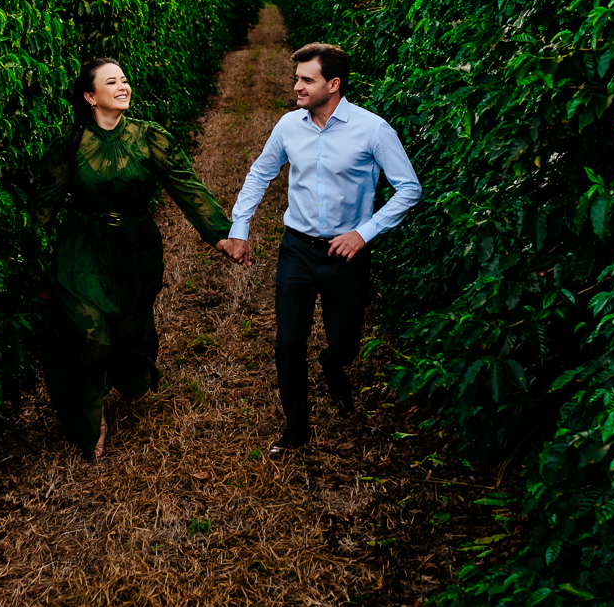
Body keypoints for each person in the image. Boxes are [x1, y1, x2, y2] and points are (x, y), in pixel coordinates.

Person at [217, 43, 421, 456]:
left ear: (333, 84)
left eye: (306, 80)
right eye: (297, 78)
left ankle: (332, 363)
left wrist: (363, 233)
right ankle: (296, 428)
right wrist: (240, 228)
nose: (297, 86)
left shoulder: (373, 130)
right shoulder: (289, 126)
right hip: (297, 248)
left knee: (345, 344)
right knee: (288, 342)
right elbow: (260, 173)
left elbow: (409, 189)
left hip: (347, 253)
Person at [34, 57, 233, 459]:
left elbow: (187, 187)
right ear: (90, 96)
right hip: (84, 248)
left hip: (135, 248)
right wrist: (37, 271)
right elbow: (42, 210)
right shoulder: (69, 146)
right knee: (90, 335)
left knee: (128, 332)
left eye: (124, 80)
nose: (123, 87)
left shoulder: (149, 137)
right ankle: (91, 422)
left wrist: (222, 235)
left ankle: (127, 374)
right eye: (111, 82)